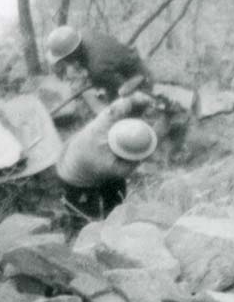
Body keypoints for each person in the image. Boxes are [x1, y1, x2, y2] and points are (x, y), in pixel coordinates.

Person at [54, 92, 158, 223]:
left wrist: (139, 99)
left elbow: (119, 106)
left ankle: (113, 214)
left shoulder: (105, 122)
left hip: (70, 154)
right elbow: (141, 158)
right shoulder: (111, 166)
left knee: (117, 191)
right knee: (85, 220)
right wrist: (159, 131)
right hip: (73, 181)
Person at [46, 25, 153, 100]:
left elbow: (121, 87)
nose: (65, 62)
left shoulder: (97, 68)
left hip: (138, 76)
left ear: (72, 54)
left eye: (64, 59)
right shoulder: (84, 33)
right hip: (127, 60)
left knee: (121, 99)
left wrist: (96, 84)